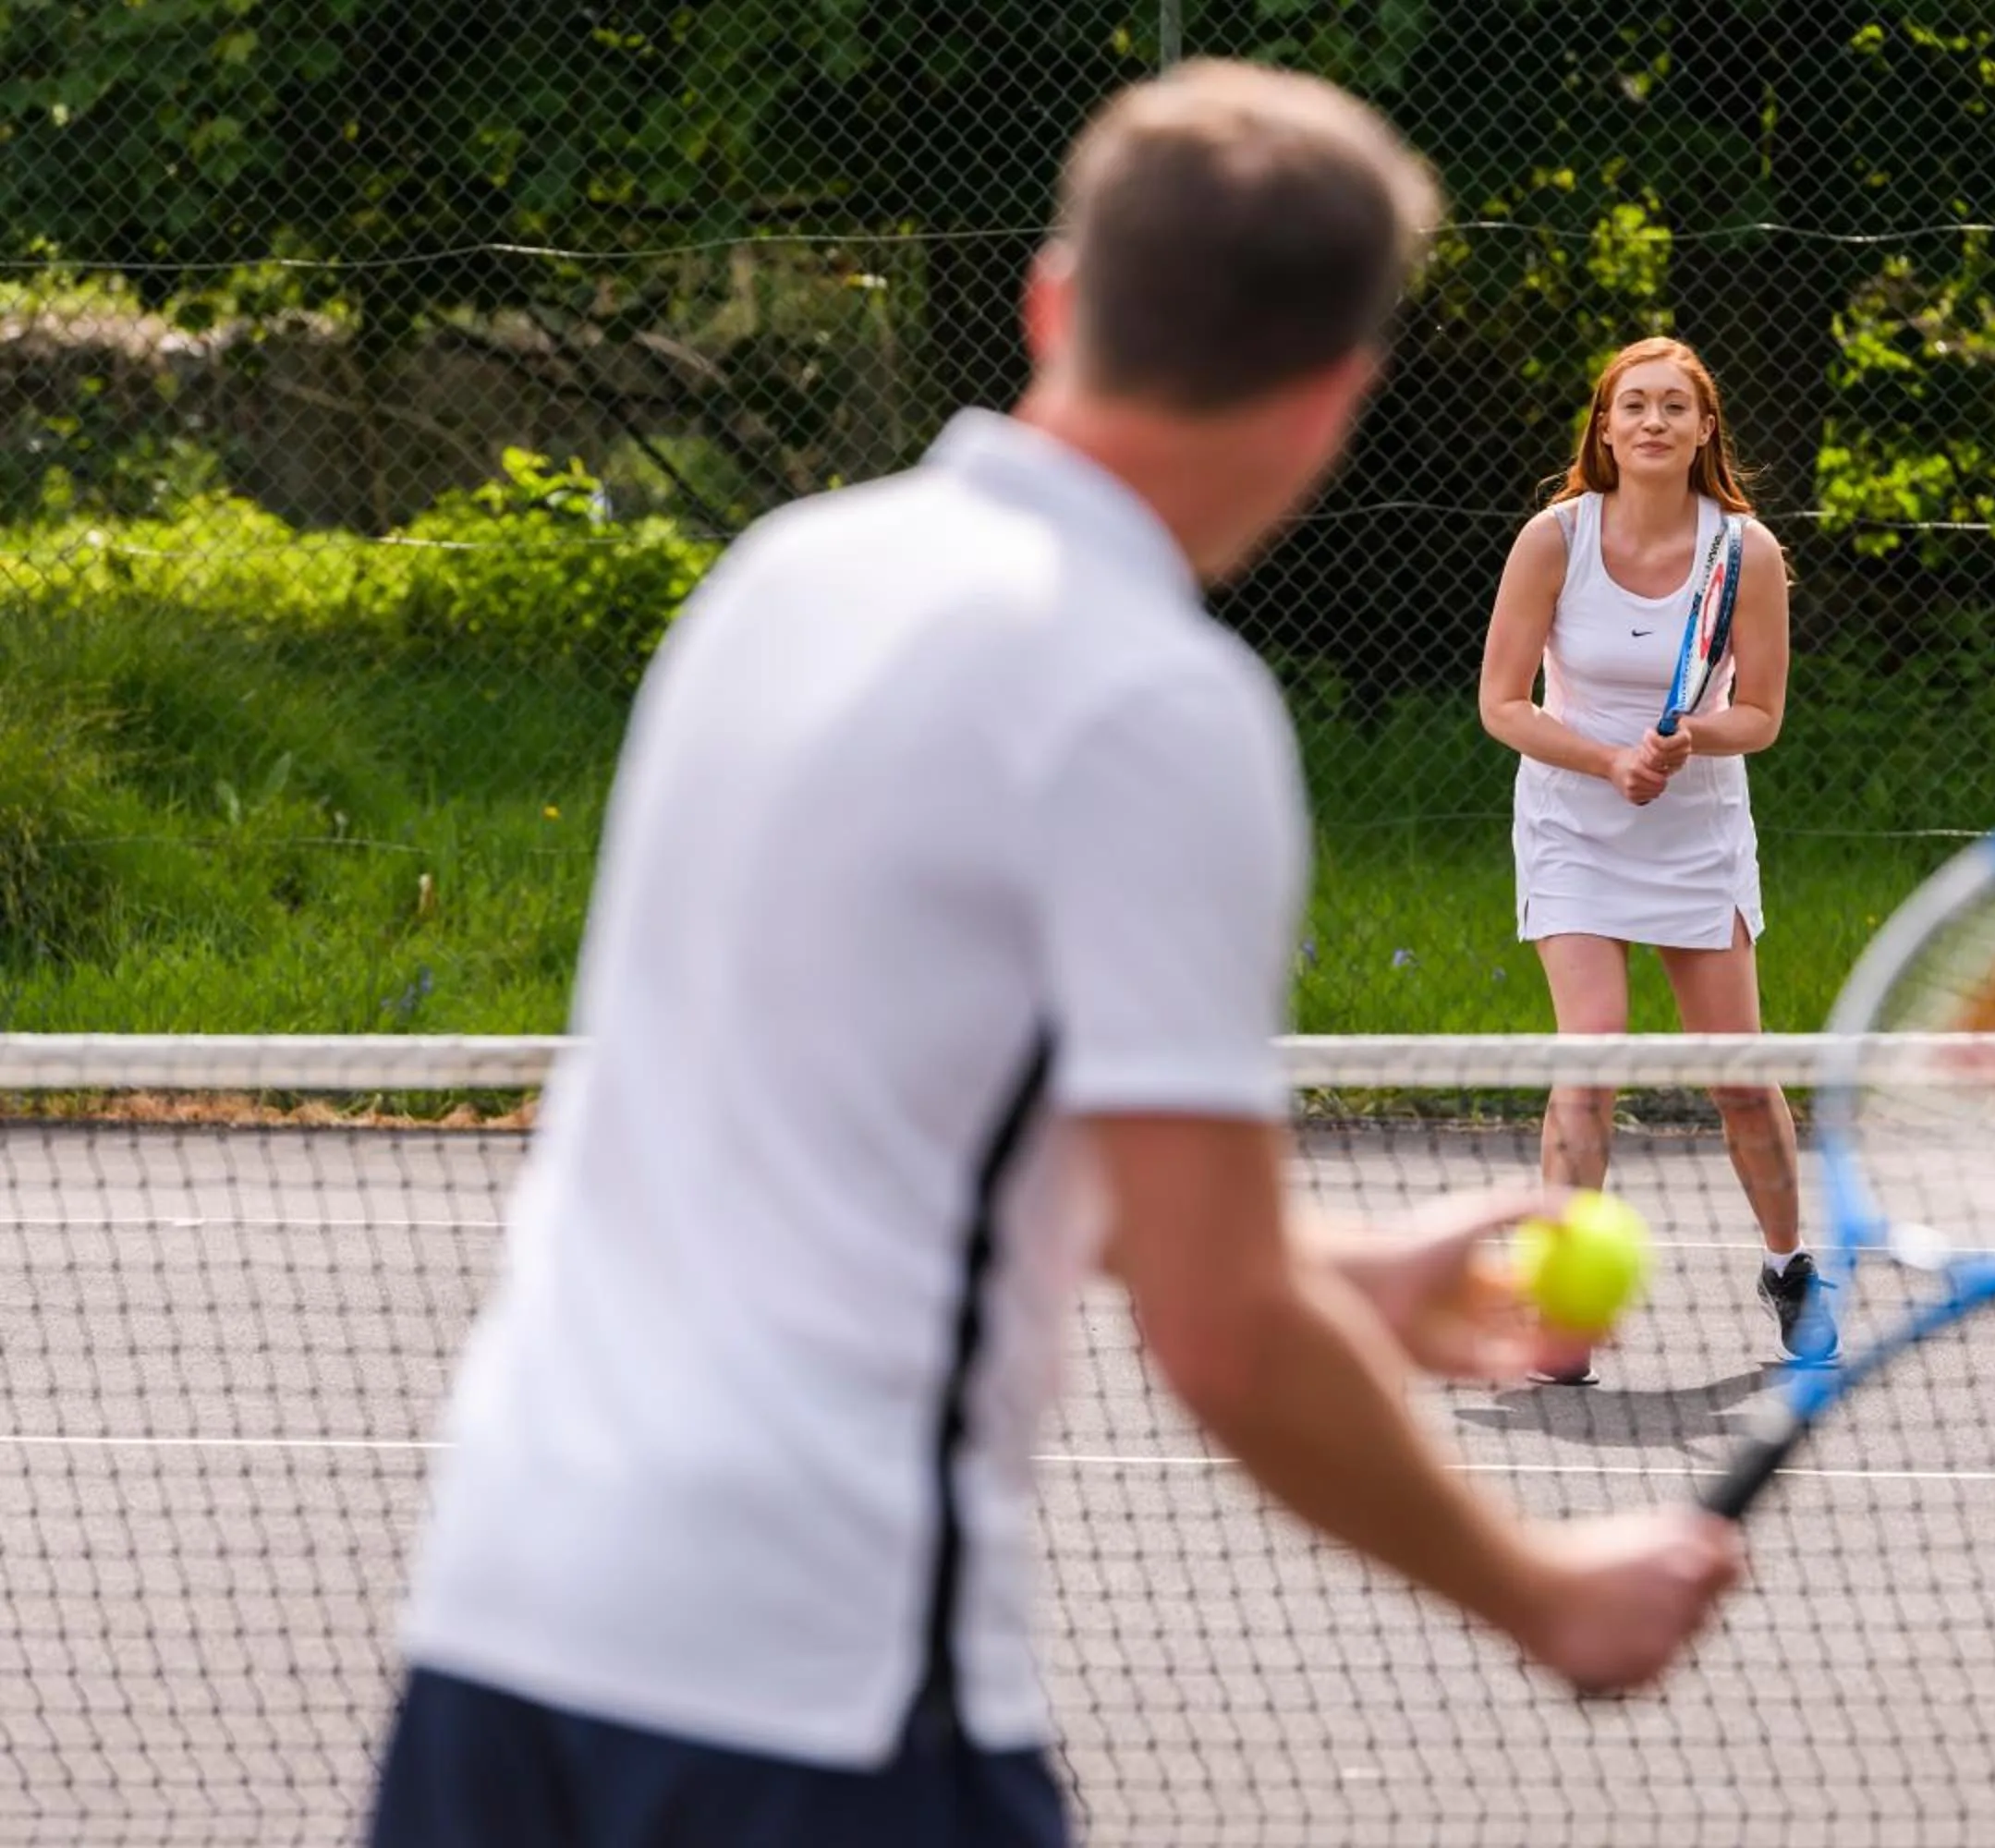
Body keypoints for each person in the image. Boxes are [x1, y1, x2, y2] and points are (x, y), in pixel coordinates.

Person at [367, 63, 1741, 1848]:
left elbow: (888, 1124)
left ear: (1053, 301)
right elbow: (1225, 1335)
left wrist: (1342, 1263)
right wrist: (1540, 1588)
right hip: (817, 1686)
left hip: (501, 1625)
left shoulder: (784, 577)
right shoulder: (1152, 707)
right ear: (1336, 399)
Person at [1478, 335, 1840, 1386]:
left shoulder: (1749, 553)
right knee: (1591, 1055)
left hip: (1697, 829)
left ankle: (1786, 1264)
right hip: (1570, 818)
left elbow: (1761, 713)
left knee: (1737, 1073)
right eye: (1631, 405)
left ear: (1703, 428)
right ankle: (1562, 1302)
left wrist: (1691, 740)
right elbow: (1504, 703)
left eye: (1673, 407)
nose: (1651, 422)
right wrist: (1605, 757)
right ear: (1604, 426)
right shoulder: (1553, 540)